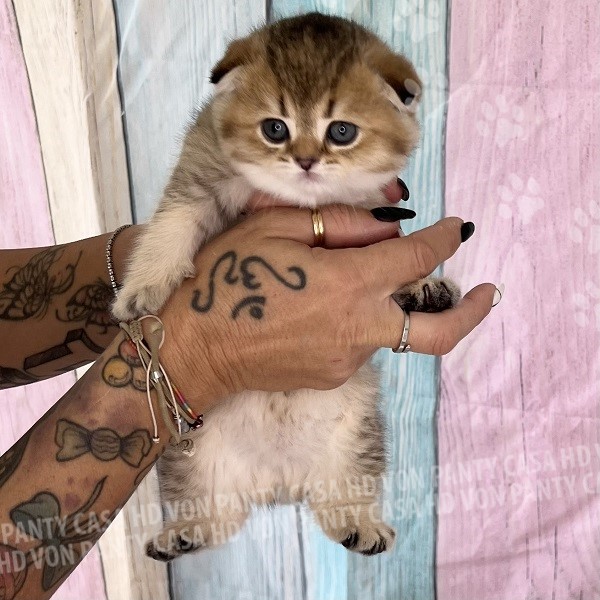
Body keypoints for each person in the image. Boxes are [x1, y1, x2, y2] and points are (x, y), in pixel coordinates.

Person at [0, 190, 497, 599]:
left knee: (349, 417)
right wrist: (197, 352)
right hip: (228, 421)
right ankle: (207, 517)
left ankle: (345, 508)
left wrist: (178, 257)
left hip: (310, 410)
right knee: (210, 451)